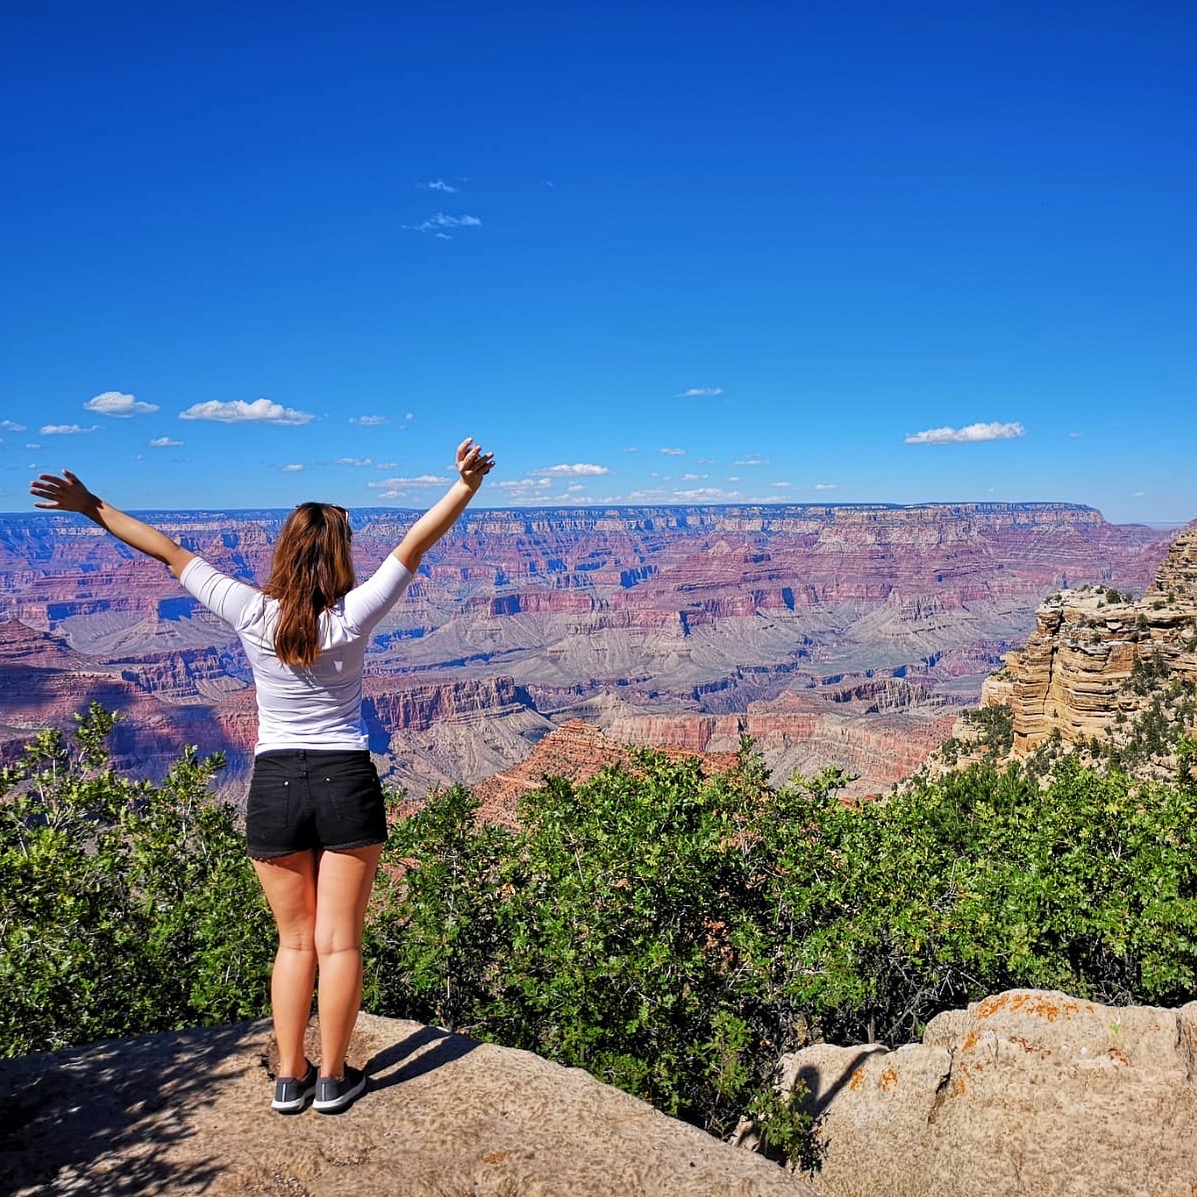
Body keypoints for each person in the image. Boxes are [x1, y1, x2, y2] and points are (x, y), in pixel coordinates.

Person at [30, 437, 495, 1114]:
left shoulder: (250, 611)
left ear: (283, 552)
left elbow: (165, 551)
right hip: (345, 780)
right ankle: (333, 1079)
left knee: (294, 940)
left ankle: (288, 1078)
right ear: (339, 554)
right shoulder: (354, 614)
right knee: (339, 942)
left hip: (274, 785)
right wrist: (464, 487)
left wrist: (90, 505)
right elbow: (416, 546)